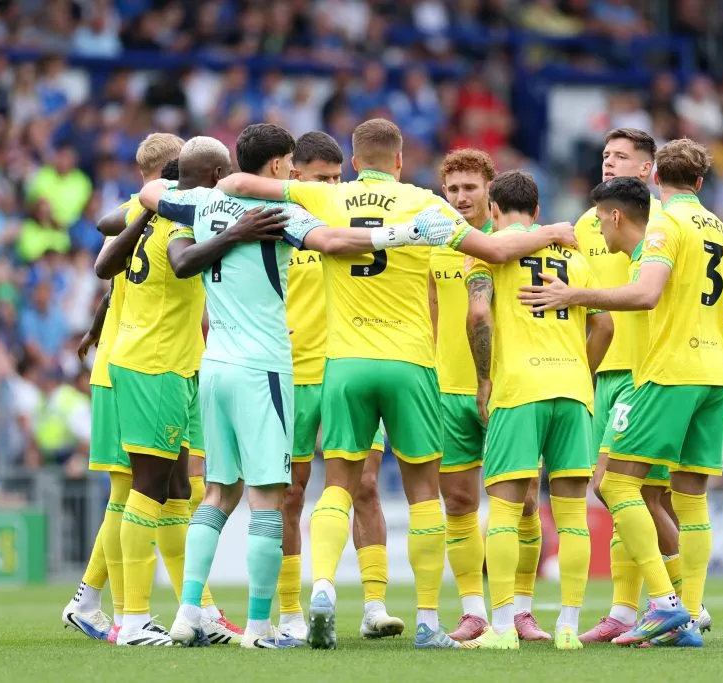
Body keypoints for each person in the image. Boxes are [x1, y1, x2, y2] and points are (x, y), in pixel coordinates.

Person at [215, 118, 578, 650]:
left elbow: (237, 184)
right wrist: (550, 232)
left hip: (345, 363)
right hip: (411, 363)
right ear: (401, 161)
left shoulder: (326, 199)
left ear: (355, 163)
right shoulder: (425, 205)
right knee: (424, 493)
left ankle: (321, 590)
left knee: (335, 485)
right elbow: (499, 252)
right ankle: (429, 620)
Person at [136, 126, 445, 648]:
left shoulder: (197, 205)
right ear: (281, 167)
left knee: (216, 493)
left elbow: (150, 192)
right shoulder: (283, 215)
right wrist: (403, 234)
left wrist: (216, 195)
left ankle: (188, 611)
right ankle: (263, 626)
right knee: (268, 499)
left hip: (216, 365)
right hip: (267, 368)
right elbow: (331, 240)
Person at [520, 139, 723, 647]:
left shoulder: (664, 224)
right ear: (700, 182)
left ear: (656, 178)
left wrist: (573, 294)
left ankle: (666, 605)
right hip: (715, 373)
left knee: (616, 484)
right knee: (689, 500)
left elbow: (645, 294)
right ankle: (687, 615)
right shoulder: (722, 229)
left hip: (667, 371)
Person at [96, 135, 271, 646]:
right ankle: (130, 620)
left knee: (176, 492)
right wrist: (235, 230)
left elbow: (105, 251)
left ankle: (198, 611)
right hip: (156, 365)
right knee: (146, 490)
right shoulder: (184, 217)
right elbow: (180, 262)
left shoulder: (156, 206)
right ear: (217, 178)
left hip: (159, 362)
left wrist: (146, 204)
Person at [461, 171, 605, 650]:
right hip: (572, 390)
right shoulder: (576, 257)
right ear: (538, 211)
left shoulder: (487, 249)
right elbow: (604, 326)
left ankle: (502, 628)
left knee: (504, 512)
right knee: (571, 517)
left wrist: (484, 377)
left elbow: (479, 314)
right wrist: (578, 372)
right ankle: (567, 626)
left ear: (494, 210)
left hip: (519, 388)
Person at [277, 131, 404, 642]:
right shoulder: (282, 224)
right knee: (290, 493)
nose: (333, 186)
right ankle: (289, 612)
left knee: (366, 486)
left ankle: (374, 605)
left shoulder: (353, 221)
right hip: (291, 375)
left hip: (345, 370)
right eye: (322, 179)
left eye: (338, 177)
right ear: (296, 178)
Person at [61, 134, 183, 644]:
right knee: (137, 492)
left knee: (137, 491)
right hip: (138, 364)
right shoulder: (164, 213)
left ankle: (90, 599)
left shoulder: (134, 212)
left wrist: (92, 329)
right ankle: (121, 609)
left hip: (115, 360)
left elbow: (111, 282)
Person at [572, 128, 688, 643]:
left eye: (621, 156)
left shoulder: (662, 226)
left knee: (646, 494)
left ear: (647, 169)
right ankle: (631, 609)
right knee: (624, 493)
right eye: (604, 154)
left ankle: (678, 604)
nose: (608, 162)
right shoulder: (584, 222)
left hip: (646, 371)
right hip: (603, 371)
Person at [431, 149, 549, 642]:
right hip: (446, 390)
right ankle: (474, 610)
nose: (461, 197)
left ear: (490, 190)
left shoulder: (515, 245)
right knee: (458, 503)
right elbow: (432, 313)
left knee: (522, 501)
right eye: (453, 189)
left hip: (508, 387)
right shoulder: (432, 244)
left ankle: (521, 609)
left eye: (470, 188)